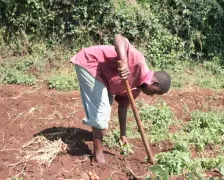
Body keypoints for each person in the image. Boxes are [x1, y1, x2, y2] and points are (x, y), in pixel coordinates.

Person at [71, 34, 171, 165]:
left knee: (107, 104)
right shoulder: (139, 62)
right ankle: (97, 155)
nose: (152, 96)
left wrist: (123, 135)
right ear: (155, 84)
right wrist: (124, 61)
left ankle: (97, 137)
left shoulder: (136, 89)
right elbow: (119, 38)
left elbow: (123, 107)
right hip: (90, 61)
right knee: (102, 108)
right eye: (155, 93)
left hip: (103, 76)